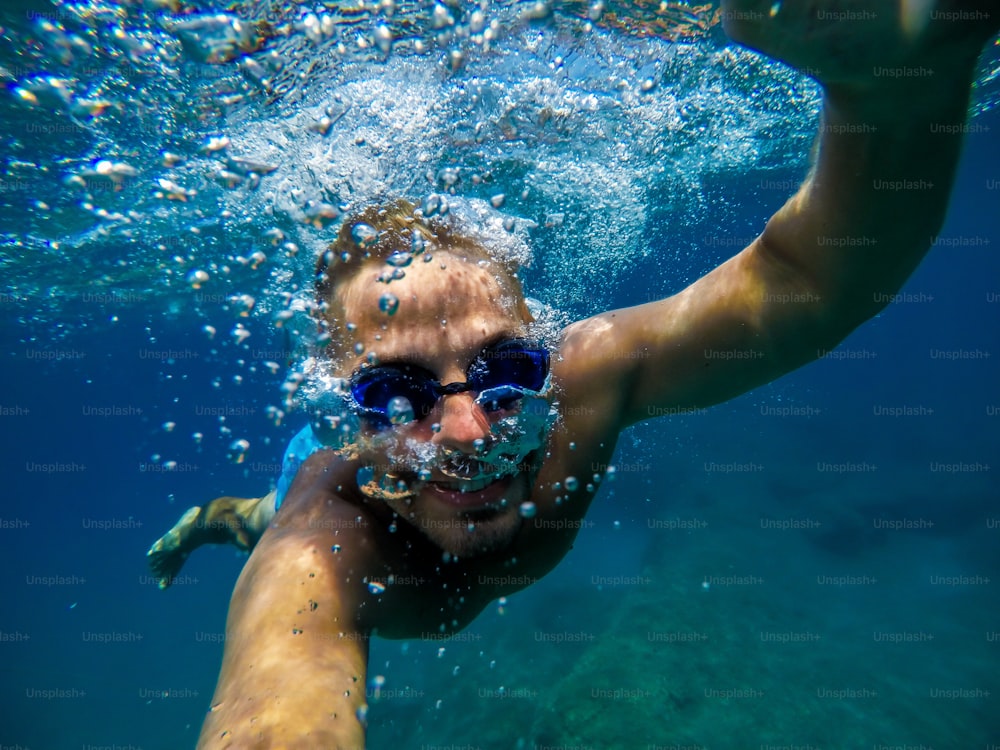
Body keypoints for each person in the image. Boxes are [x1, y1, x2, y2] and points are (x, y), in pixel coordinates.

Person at [151, 4, 998, 747]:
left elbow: (807, 283)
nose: (469, 434)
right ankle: (206, 521)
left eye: (503, 371)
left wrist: (897, 91)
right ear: (345, 413)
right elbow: (272, 699)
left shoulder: (579, 385)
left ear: (542, 354)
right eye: (396, 398)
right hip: (298, 491)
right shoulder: (320, 544)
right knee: (260, 518)